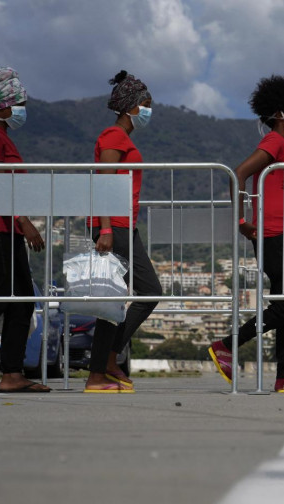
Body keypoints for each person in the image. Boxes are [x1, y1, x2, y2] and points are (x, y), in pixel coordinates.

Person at [208, 75, 284, 393]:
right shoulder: (274, 142)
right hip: (272, 234)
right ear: (279, 114)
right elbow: (239, 174)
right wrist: (242, 221)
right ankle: (227, 345)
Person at [84, 70, 162, 393]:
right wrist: (103, 228)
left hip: (125, 225)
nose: (148, 110)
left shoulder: (123, 139)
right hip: (112, 226)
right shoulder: (114, 137)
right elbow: (103, 182)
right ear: (130, 106)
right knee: (122, 298)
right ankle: (99, 371)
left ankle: (109, 359)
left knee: (141, 294)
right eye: (145, 104)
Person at [0, 67, 49, 393]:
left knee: (22, 302)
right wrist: (23, 220)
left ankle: (12, 374)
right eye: (19, 103)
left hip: (9, 230)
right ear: (3, 107)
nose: (22, 110)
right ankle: (11, 373)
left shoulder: (2, 136)